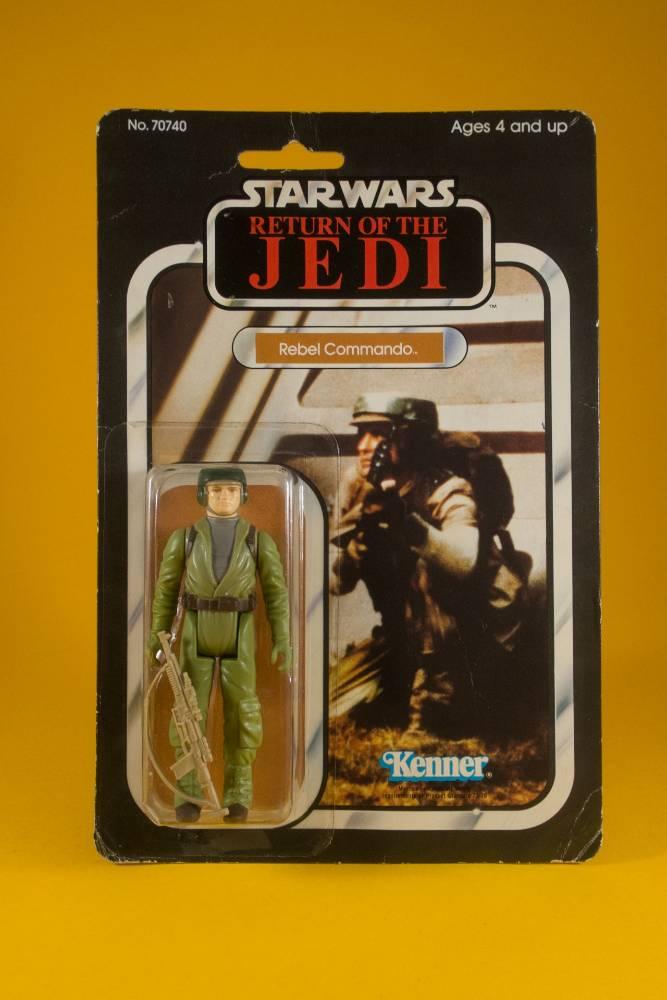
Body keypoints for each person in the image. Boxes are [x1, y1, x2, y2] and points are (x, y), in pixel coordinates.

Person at [331, 394, 535, 735]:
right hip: (409, 632)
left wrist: (408, 525)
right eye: (361, 433)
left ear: (409, 438)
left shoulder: (448, 488)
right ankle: (406, 688)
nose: (363, 446)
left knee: (428, 569)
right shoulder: (359, 486)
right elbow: (337, 583)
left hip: (481, 635)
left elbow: (463, 562)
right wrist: (361, 543)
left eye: (378, 434)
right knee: (331, 707)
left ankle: (439, 704)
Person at [149, 467, 291, 823]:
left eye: (231, 490)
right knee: (186, 712)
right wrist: (157, 634)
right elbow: (166, 591)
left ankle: (238, 793)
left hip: (239, 631)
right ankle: (188, 793)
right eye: (216, 490)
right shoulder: (184, 539)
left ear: (243, 495)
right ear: (203, 494)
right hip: (194, 630)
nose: (224, 497)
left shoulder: (258, 541)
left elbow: (276, 593)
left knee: (242, 712)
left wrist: (282, 639)